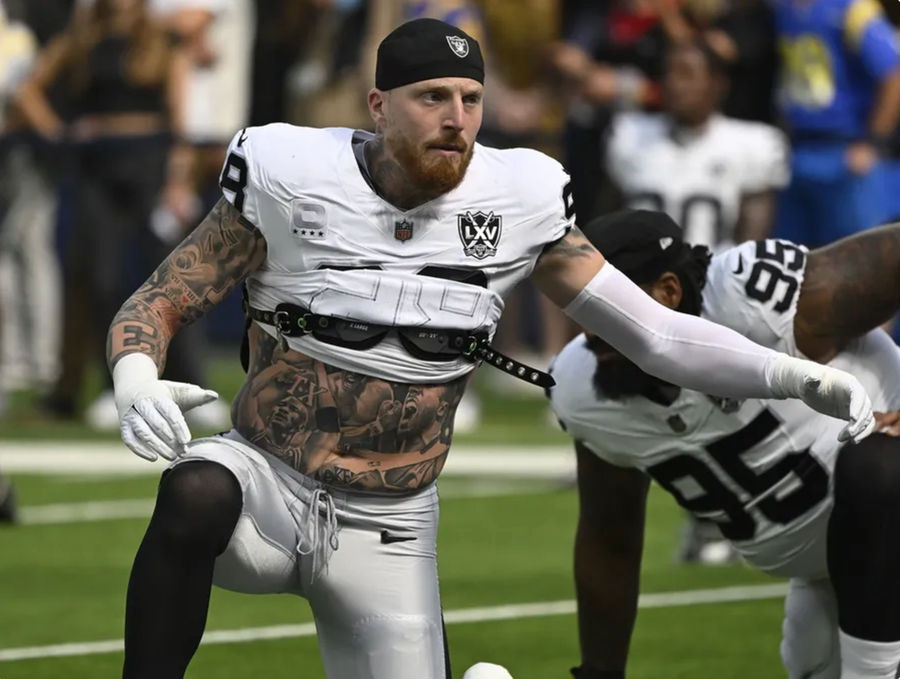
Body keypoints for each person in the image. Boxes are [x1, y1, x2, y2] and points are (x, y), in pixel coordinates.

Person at [107, 18, 875, 679]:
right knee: (195, 487)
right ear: (378, 106)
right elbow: (164, 296)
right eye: (431, 97)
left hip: (392, 522)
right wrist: (137, 374)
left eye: (470, 98)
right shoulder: (288, 172)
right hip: (269, 482)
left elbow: (656, 332)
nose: (456, 118)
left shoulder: (520, 198)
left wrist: (793, 377)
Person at [548, 209, 900, 679]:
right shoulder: (582, 386)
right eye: (581, 309)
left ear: (669, 292)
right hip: (832, 570)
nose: (590, 332)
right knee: (810, 658)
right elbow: (610, 535)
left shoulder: (747, 296)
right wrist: (600, 672)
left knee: (876, 465)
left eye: (605, 309)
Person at [607, 40, 789, 250]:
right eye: (668, 74)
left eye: (686, 75)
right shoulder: (629, 135)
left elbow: (751, 248)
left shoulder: (752, 145)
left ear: (718, 84)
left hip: (715, 277)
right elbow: (612, 223)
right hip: (640, 279)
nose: (674, 84)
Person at [774, 0, 900, 248]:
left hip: (846, 151)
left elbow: (893, 76)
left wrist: (873, 142)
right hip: (798, 148)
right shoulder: (782, 8)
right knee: (794, 260)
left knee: (859, 258)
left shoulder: (853, 9)